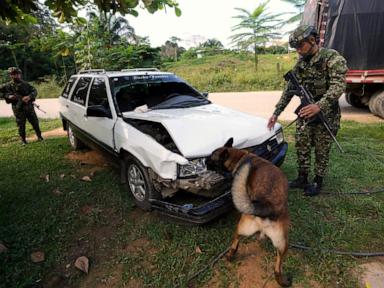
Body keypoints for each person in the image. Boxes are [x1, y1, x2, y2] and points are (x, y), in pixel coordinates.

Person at [267, 25, 348, 196]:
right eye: (295, 47)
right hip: (305, 113)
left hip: (326, 114)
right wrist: (276, 113)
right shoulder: (301, 63)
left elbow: (338, 86)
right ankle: (302, 177)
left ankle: (318, 181)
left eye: (300, 46)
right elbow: (289, 89)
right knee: (302, 144)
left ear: (312, 40)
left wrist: (319, 105)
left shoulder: (332, 58)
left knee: (321, 148)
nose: (298, 50)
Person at [2, 67, 43, 145]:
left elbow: (34, 91)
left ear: (19, 74)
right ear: (10, 75)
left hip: (29, 107)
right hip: (18, 108)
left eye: (16, 74)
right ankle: (23, 140)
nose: (15, 76)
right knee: (21, 124)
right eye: (12, 74)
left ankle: (39, 136)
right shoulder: (7, 86)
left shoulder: (25, 84)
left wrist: (29, 97)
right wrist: (8, 96)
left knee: (35, 122)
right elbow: (3, 93)